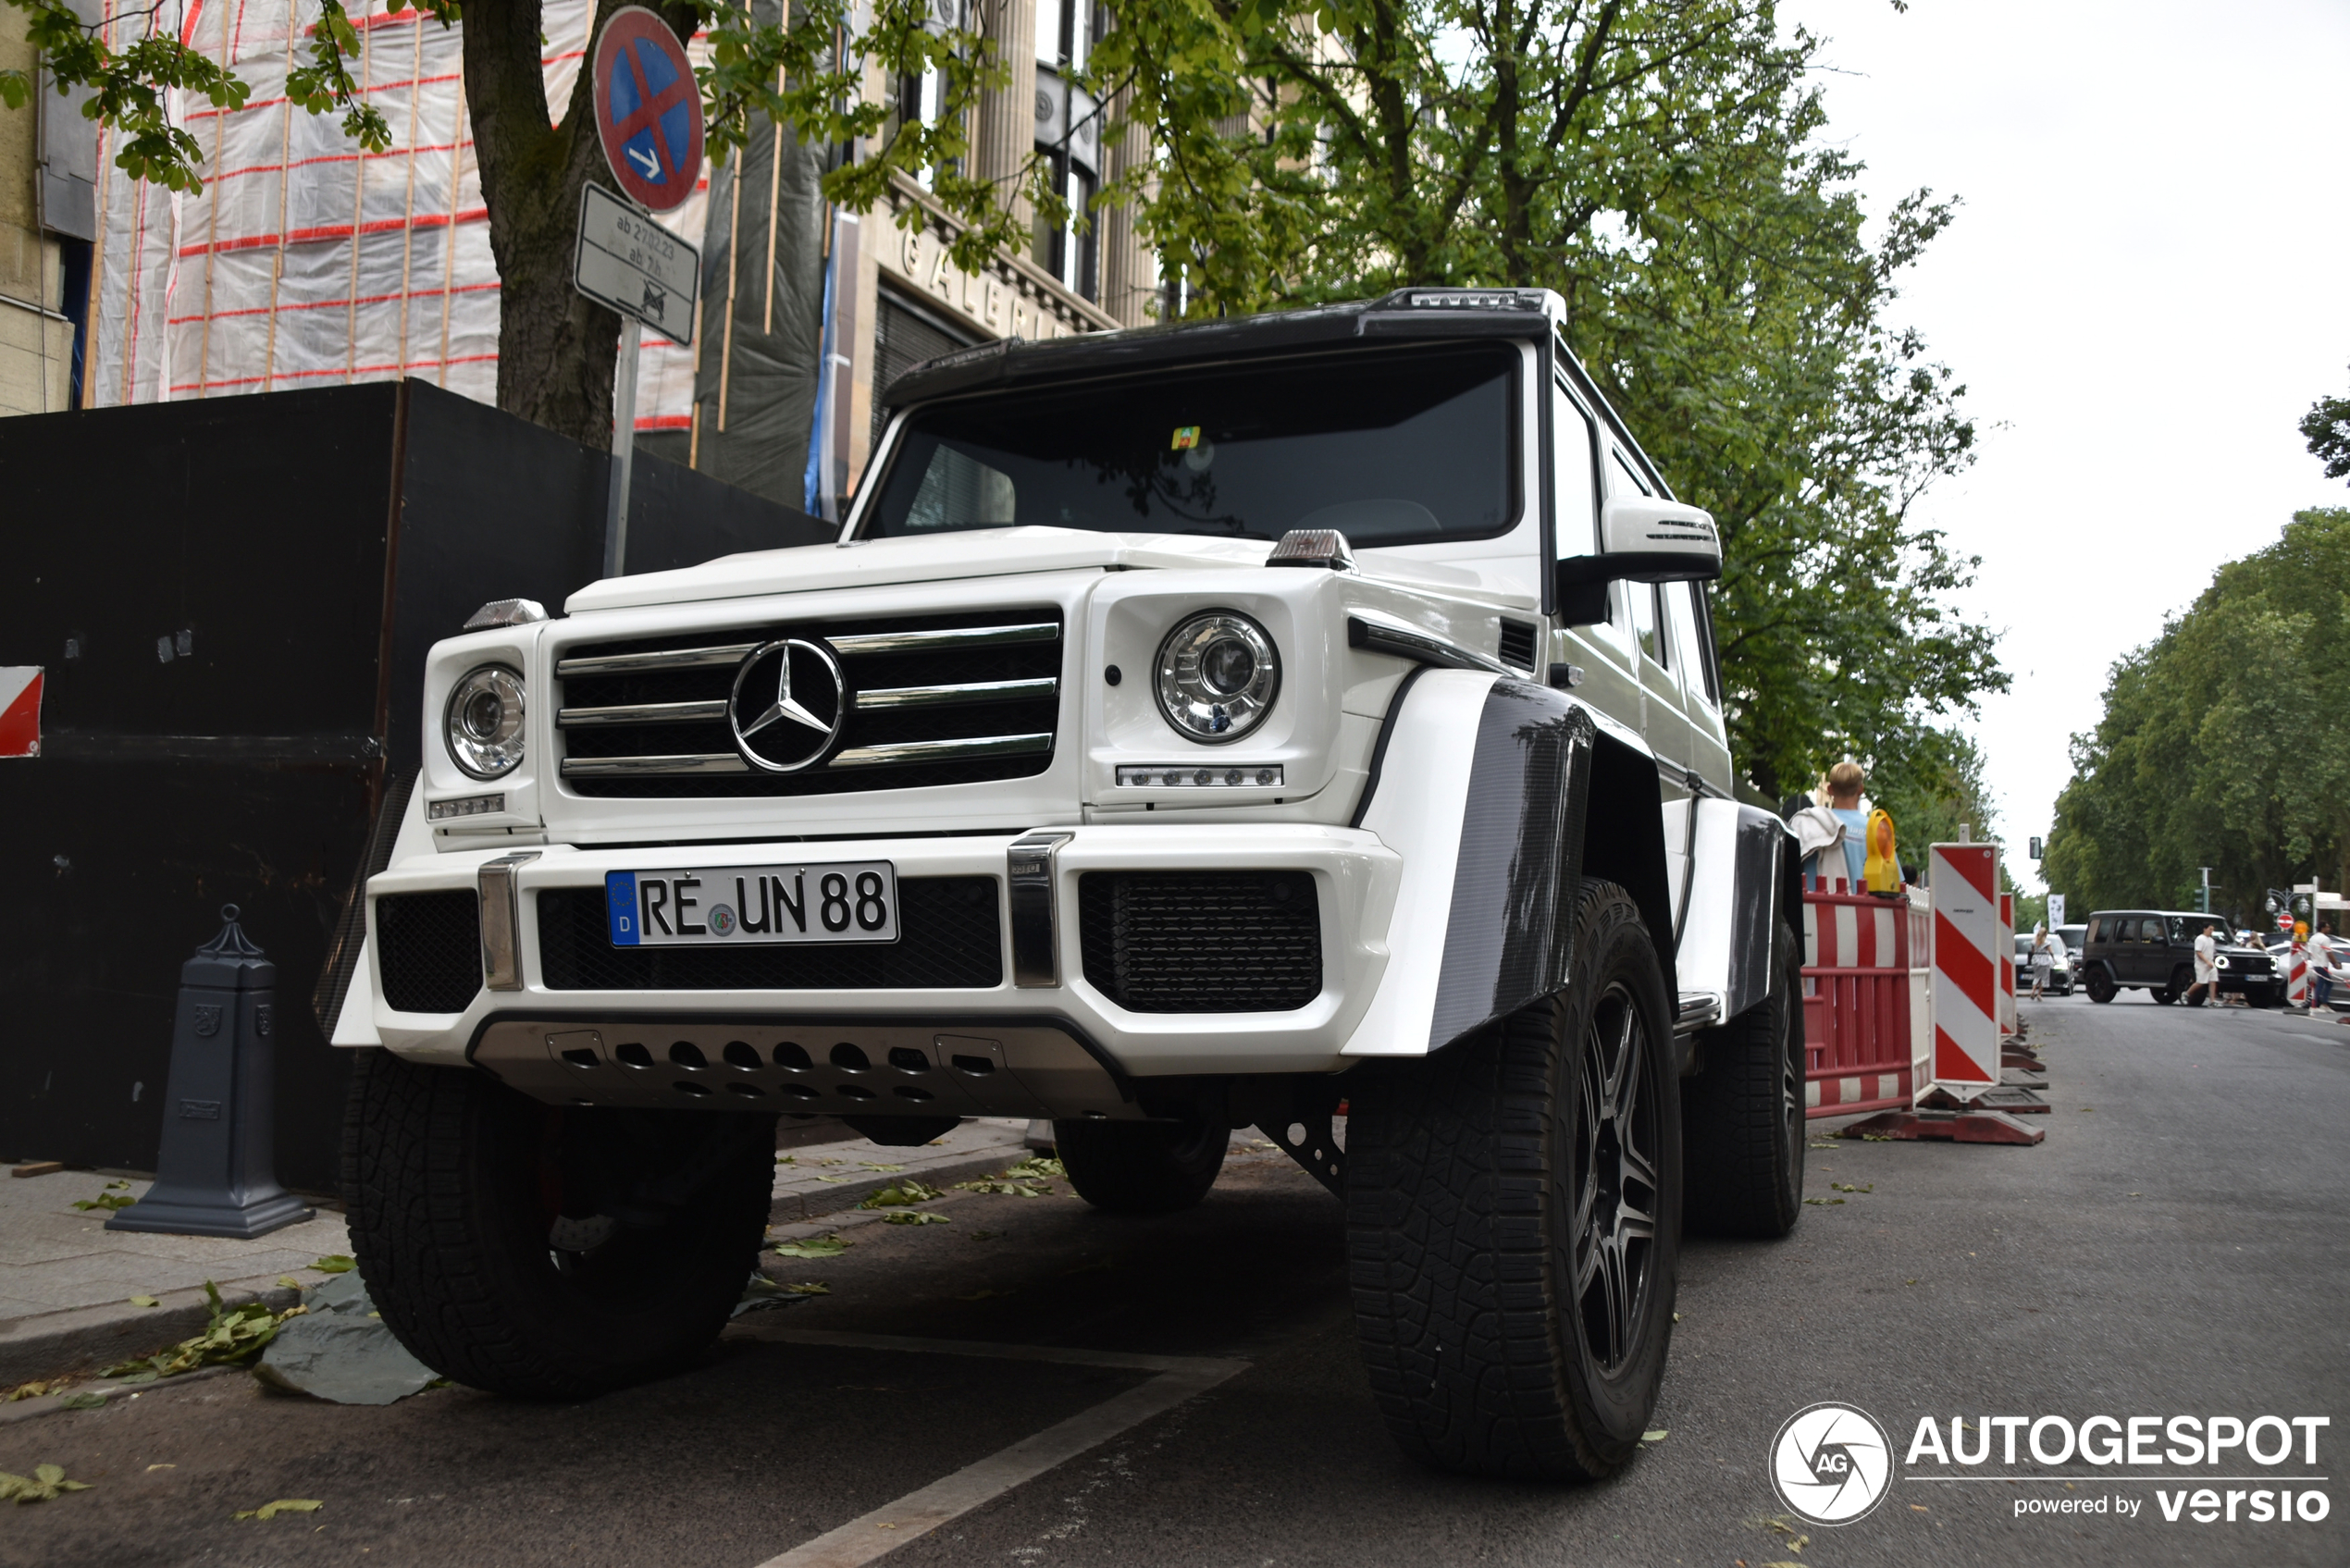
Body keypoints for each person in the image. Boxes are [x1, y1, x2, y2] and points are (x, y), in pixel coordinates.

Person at [1790, 761, 1870, 890]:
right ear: (1861, 789)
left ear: (1829, 790)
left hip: (1813, 907)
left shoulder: (1811, 823)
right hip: (1866, 908)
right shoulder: (1876, 828)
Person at [2183, 920, 2220, 1007]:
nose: (2211, 931)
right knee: (2201, 982)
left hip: (2210, 963)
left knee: (2213, 981)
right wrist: (2206, 962)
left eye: (2212, 929)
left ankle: (2212, 1001)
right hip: (2202, 964)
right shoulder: (2200, 939)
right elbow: (2199, 952)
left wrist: (2211, 961)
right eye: (2210, 929)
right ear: (2205, 929)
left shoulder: (2211, 940)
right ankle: (2187, 993)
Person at [2310, 920, 2336, 1011]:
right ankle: (2319, 1004)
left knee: (2324, 983)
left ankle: (2319, 1003)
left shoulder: (2313, 938)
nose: (2329, 929)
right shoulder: (2325, 939)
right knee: (2325, 983)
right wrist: (2335, 963)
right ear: (2323, 928)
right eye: (2327, 927)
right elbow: (2329, 952)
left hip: (2315, 964)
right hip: (2322, 964)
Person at [2028, 923, 2056, 1000]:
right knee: (2044, 978)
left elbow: (2032, 951)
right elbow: (2051, 952)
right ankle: (2039, 994)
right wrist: (2053, 959)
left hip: (2036, 960)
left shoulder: (2034, 942)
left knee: (2037, 976)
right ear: (2045, 934)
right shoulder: (2047, 943)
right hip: (2044, 960)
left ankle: (2033, 991)